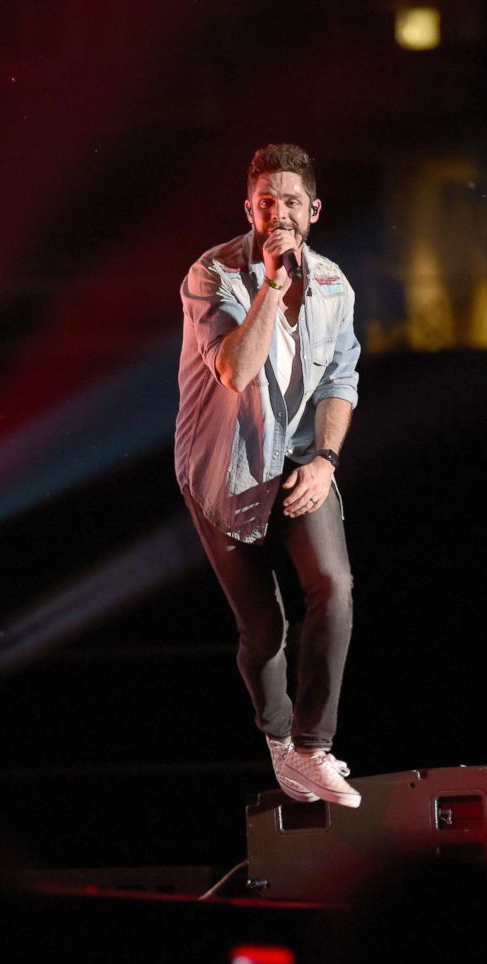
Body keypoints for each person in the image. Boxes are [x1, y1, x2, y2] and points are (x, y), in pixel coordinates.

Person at [175, 144, 361, 807]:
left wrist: (326, 460)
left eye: (289, 202)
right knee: (265, 631)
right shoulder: (212, 275)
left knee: (333, 586)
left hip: (299, 463)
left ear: (312, 209)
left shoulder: (337, 286)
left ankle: (313, 748)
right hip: (222, 472)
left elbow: (341, 378)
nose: (276, 214)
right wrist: (274, 284)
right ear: (248, 208)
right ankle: (278, 739)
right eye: (265, 202)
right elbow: (235, 369)